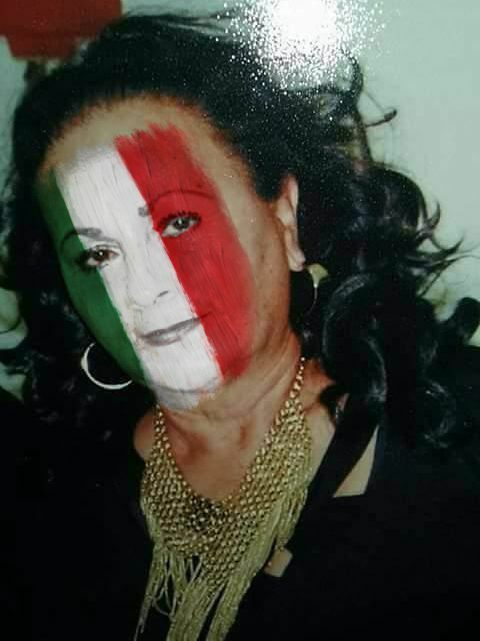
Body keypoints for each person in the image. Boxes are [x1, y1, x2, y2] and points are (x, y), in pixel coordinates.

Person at [3, 12, 480, 641]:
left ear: (285, 219)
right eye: (97, 254)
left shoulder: (455, 435)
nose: (144, 285)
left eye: (178, 223)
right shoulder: (47, 493)